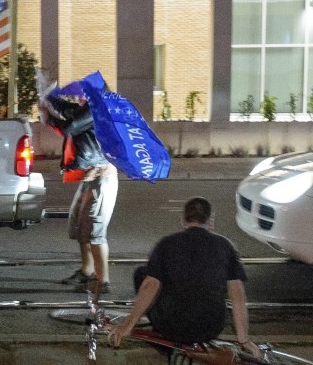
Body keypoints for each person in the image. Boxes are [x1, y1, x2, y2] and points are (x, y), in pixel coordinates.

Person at [108, 197, 261, 358]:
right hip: (210, 326)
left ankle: (163, 339)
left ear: (183, 220)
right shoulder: (225, 246)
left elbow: (150, 286)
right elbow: (237, 296)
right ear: (209, 220)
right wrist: (244, 340)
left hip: (170, 325)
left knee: (143, 274)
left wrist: (128, 325)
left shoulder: (166, 244)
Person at [40, 95, 118, 294]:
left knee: (95, 229)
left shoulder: (95, 110)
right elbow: (68, 110)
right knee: (79, 224)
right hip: (89, 176)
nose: (76, 97)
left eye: (82, 93)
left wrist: (48, 117)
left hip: (102, 178)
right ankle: (87, 271)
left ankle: (103, 281)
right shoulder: (85, 109)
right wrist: (48, 98)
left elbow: (70, 126)